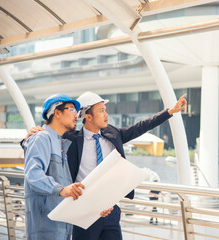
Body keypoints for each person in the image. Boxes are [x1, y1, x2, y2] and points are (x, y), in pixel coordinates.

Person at [24, 91, 187, 240]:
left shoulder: (113, 135)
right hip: (84, 212)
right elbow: (44, 141)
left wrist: (169, 112)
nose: (106, 115)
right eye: (101, 110)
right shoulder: (70, 139)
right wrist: (28, 138)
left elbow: (141, 126)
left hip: (110, 210)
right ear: (88, 116)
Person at [23, 93, 86, 240]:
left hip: (61, 228)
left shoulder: (60, 144)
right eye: (71, 109)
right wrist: (61, 189)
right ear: (56, 112)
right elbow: (33, 175)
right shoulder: (41, 138)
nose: (76, 115)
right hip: (45, 228)